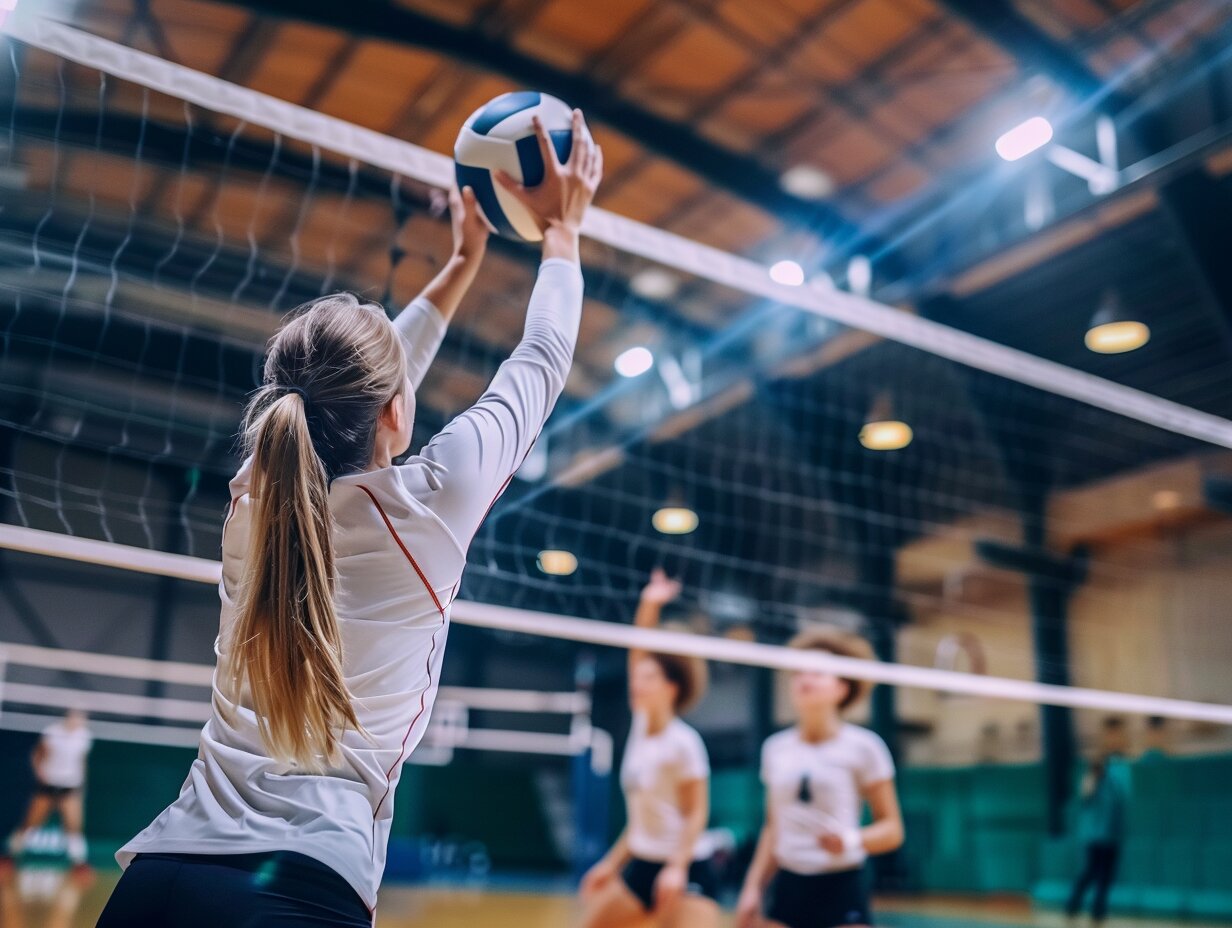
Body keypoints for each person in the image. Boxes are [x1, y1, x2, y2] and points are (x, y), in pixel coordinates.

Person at [95, 111, 602, 927]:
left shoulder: (253, 498)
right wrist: (562, 232)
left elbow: (350, 394)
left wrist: (463, 263)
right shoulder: (429, 505)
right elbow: (539, 361)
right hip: (300, 891)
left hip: (157, 881)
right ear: (397, 416)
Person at [736, 627, 904, 928]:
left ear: (842, 688)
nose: (805, 678)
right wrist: (752, 887)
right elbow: (773, 828)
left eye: (818, 672)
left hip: (840, 887)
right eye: (799, 671)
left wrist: (851, 839)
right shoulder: (775, 748)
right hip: (788, 887)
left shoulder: (865, 747)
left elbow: (892, 830)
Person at [579, 569, 720, 928]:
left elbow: (696, 814)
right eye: (637, 678)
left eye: (649, 678)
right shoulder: (641, 728)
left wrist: (676, 867)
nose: (637, 684)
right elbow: (642, 820)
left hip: (686, 867)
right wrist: (611, 865)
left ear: (671, 687)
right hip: (641, 863)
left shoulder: (685, 743)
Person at [5, 710, 93, 871]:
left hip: (70, 787)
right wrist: (39, 773)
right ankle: (9, 856)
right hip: (48, 786)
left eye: (82, 717)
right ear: (68, 716)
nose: (79, 720)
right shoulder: (52, 732)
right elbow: (37, 754)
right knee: (29, 823)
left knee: (74, 827)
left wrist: (81, 784)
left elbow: (82, 761)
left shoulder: (85, 736)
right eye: (76, 716)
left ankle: (79, 864)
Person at [1066, 716, 1132, 924]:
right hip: (1095, 835)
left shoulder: (1123, 768)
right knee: (1092, 872)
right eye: (1112, 734)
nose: (1116, 738)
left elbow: (1125, 799)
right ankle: (1074, 905)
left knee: (1107, 876)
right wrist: (1096, 775)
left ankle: (1098, 911)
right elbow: (1085, 796)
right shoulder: (1096, 769)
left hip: (1113, 834)